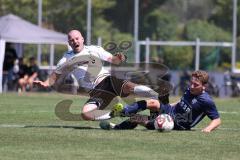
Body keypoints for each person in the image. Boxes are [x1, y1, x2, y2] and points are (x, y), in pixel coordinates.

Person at [34, 29, 164, 121]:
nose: (74, 41)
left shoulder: (94, 49)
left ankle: (158, 97)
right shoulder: (66, 59)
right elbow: (56, 74)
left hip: (107, 81)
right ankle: (114, 114)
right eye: (71, 40)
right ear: (69, 43)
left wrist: (120, 57)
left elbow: (113, 60)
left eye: (76, 38)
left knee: (130, 87)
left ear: (82, 39)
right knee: (85, 114)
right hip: (96, 92)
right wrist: (46, 83)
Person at [100, 70, 221, 133]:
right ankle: (122, 111)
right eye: (192, 82)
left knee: (136, 118)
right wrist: (168, 105)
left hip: (176, 124)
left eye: (196, 84)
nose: (192, 86)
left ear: (204, 86)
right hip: (169, 111)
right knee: (153, 102)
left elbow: (217, 120)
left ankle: (116, 127)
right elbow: (181, 102)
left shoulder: (206, 101)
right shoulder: (190, 89)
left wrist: (208, 129)